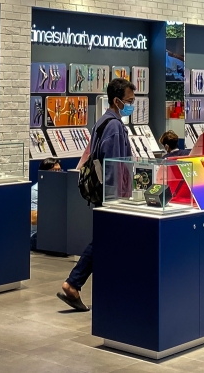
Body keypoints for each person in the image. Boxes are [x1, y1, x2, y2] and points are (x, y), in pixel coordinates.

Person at [57, 78, 134, 312]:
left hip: (107, 193)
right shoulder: (113, 126)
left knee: (106, 238)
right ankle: (73, 283)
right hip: (112, 195)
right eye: (129, 101)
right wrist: (118, 198)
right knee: (105, 238)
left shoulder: (103, 122)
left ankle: (78, 283)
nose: (132, 104)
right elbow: (114, 164)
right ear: (116, 100)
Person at [31, 158, 61, 250]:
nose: (58, 173)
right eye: (54, 171)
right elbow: (33, 219)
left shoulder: (60, 189)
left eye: (59, 170)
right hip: (37, 235)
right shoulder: (36, 190)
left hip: (54, 231)